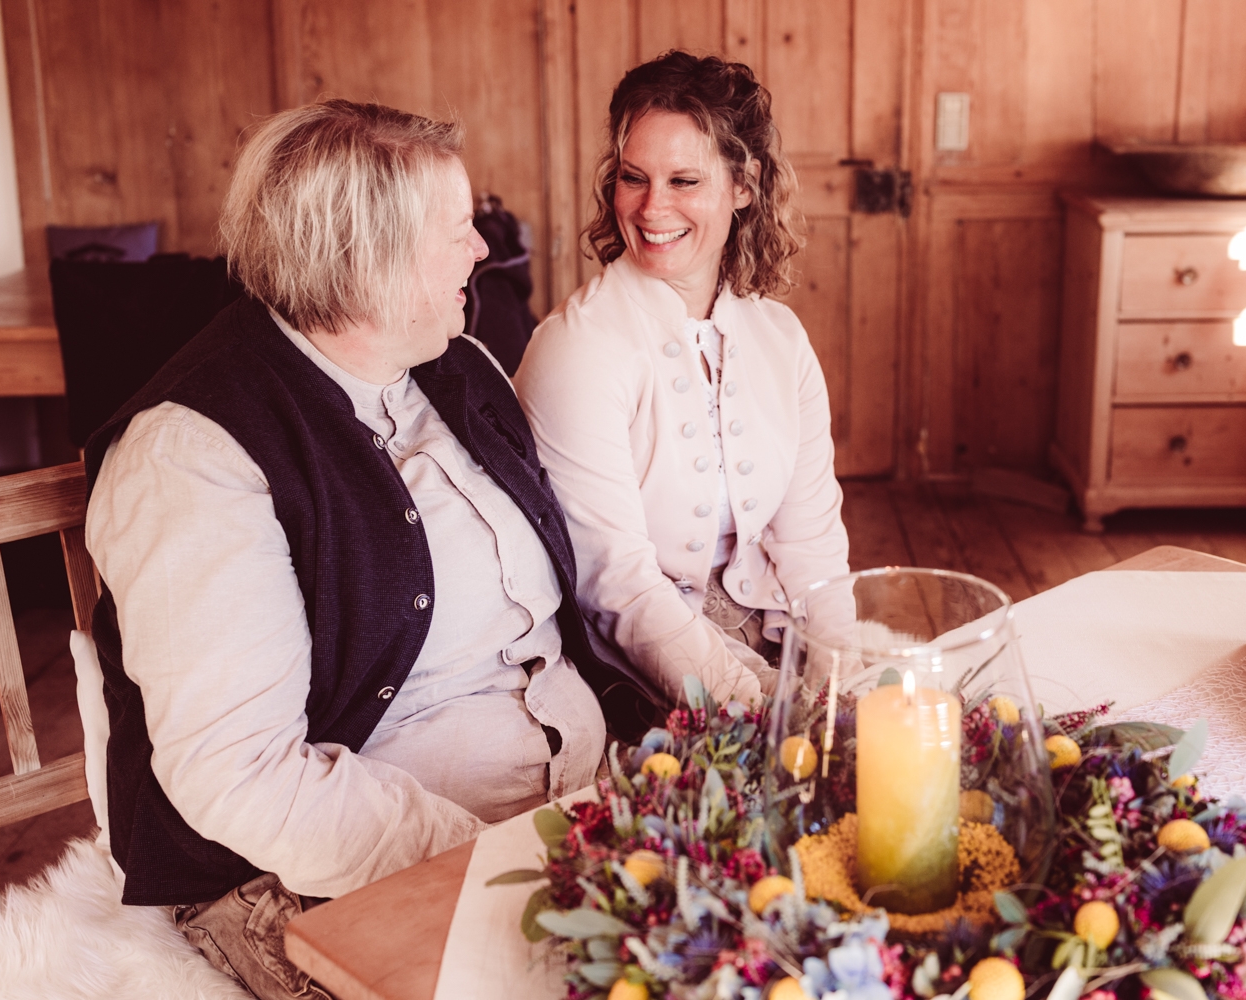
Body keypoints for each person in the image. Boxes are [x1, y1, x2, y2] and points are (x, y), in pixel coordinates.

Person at [84, 100, 631, 1000]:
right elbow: (242, 774)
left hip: (565, 819)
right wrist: (496, 865)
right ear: (364, 259)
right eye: (457, 231)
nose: (481, 252)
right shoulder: (193, 455)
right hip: (317, 875)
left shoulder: (459, 366)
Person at [513, 51, 851, 710]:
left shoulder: (780, 338)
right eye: (633, 178)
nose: (651, 208)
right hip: (642, 664)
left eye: (684, 180)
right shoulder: (576, 349)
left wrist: (844, 677)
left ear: (744, 184)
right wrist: (753, 709)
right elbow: (619, 590)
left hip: (774, 631)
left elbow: (811, 548)